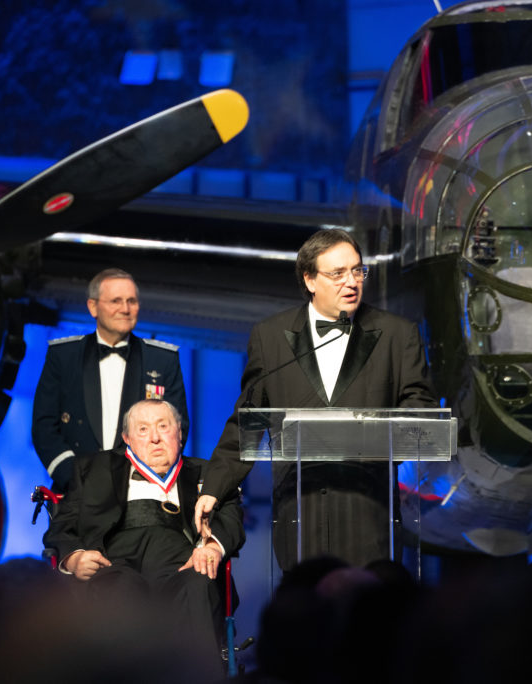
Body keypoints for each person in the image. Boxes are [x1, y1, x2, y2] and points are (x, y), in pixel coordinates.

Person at [195, 228, 436, 568]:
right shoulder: (270, 337)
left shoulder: (398, 334)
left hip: (367, 508)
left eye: (357, 270)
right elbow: (246, 420)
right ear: (309, 280)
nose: (351, 282)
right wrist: (213, 488)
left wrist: (372, 435)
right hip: (298, 509)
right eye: (337, 274)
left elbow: (420, 411)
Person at [44, 399, 244, 678]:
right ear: (126, 438)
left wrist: (212, 546)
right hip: (115, 564)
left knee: (200, 583)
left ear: (180, 433)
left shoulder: (205, 472)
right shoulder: (92, 469)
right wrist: (75, 558)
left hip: (184, 565)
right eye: (143, 429)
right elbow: (61, 527)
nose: (154, 438)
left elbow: (231, 515)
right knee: (118, 589)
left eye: (163, 427)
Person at [32, 268, 189, 493]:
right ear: (93, 306)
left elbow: (177, 426)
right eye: (116, 301)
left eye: (131, 301)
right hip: (75, 494)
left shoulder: (163, 360)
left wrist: (142, 480)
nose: (125, 309)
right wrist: (73, 477)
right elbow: (44, 426)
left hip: (142, 493)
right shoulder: (63, 356)